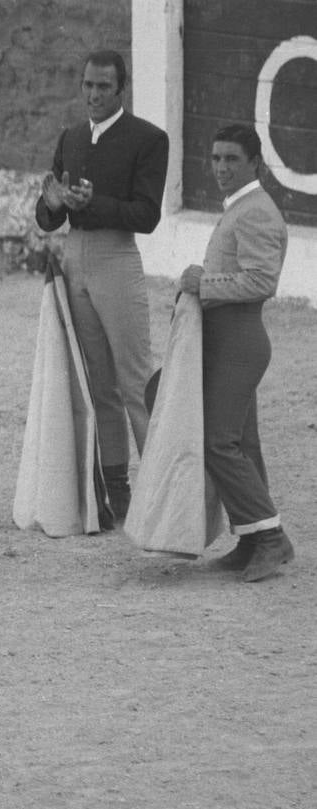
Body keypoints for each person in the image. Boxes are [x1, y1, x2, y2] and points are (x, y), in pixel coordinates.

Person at [35, 49, 169, 523]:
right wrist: (51, 204)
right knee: (99, 386)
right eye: (88, 85)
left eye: (103, 87)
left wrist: (98, 203)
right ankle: (118, 495)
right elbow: (48, 217)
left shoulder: (149, 139)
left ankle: (163, 495)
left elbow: (148, 215)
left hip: (116, 258)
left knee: (135, 381)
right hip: (76, 258)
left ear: (121, 90)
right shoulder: (70, 137)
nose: (93, 94)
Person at [179, 125, 295, 582]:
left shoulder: (255, 212)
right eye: (216, 158)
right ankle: (251, 537)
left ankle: (272, 539)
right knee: (240, 444)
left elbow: (263, 281)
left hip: (241, 343)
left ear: (255, 164)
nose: (221, 168)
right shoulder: (242, 208)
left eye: (231, 159)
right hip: (229, 340)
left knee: (218, 442)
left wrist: (203, 283)